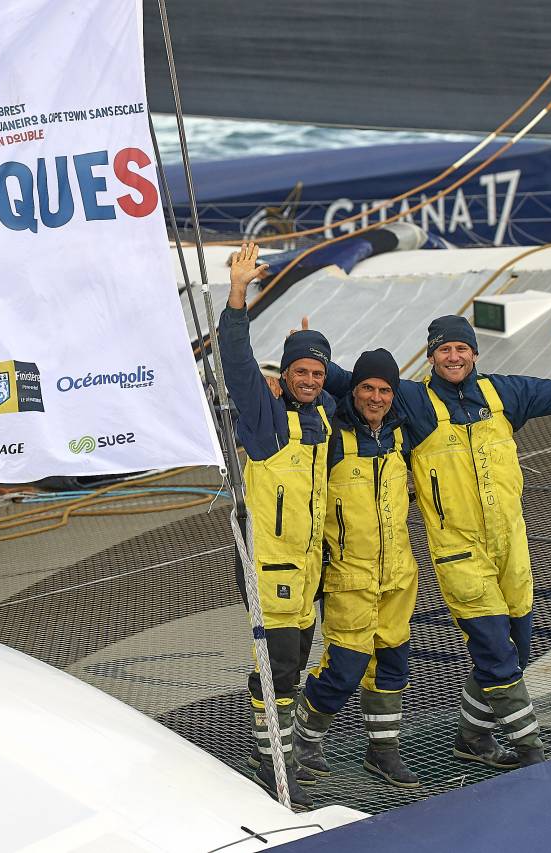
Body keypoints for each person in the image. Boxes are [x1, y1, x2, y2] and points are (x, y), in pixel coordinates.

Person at [325, 315, 551, 768]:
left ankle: (472, 738)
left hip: (512, 547)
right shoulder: (412, 399)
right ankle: (531, 750)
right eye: (443, 350)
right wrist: (304, 359)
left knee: (517, 651)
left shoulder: (505, 393)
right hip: (459, 552)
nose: (453, 357)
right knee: (495, 651)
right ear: (431, 356)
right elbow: (352, 382)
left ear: (474, 353)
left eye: (461, 348)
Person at [217, 242, 335, 810]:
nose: (310, 380)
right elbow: (237, 365)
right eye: (299, 372)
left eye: (317, 372)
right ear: (282, 377)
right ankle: (269, 759)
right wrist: (238, 295)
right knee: (278, 671)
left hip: (308, 570)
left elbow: (346, 386)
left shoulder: (322, 420)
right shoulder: (265, 420)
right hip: (269, 568)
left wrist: (306, 344)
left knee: (294, 666)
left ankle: (278, 749)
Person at [292, 348, 423, 789]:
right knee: (345, 667)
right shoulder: (333, 436)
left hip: (399, 576)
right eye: (367, 387)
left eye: (385, 389)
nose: (376, 397)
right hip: (349, 576)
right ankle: (305, 736)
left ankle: (382, 751)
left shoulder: (403, 434)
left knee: (393, 664)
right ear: (354, 389)